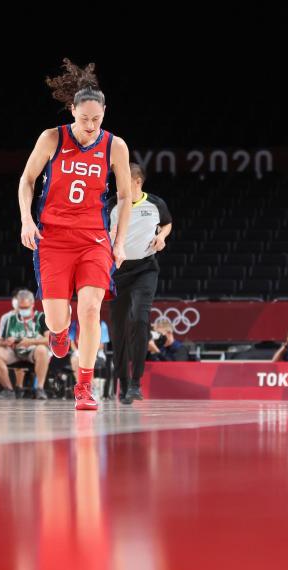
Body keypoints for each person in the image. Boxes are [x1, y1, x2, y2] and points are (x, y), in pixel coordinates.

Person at [18, 58, 132, 410]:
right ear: (72, 111)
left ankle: (84, 386)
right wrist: (26, 219)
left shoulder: (115, 145)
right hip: (52, 237)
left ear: (104, 113)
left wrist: (120, 240)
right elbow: (27, 180)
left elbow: (126, 195)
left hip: (93, 238)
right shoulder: (52, 137)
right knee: (57, 318)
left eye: (96, 119)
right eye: (84, 118)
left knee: (90, 308)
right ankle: (56, 334)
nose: (90, 125)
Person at [108, 163, 173, 403]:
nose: (118, 186)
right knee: (118, 331)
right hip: (117, 273)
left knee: (139, 318)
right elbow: (98, 235)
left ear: (137, 182)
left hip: (145, 269)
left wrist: (162, 236)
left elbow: (167, 223)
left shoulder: (156, 204)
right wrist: (108, 236)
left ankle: (136, 383)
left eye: (122, 181)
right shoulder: (111, 206)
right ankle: (123, 385)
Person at [0, 291, 51, 400]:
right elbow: (0, 341)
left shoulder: (41, 317)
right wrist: (7, 342)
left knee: (42, 350)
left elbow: (49, 340)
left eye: (26, 307)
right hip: (14, 350)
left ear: (32, 304)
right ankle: (8, 389)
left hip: (33, 350)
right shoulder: (10, 319)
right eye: (21, 307)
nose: (23, 310)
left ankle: (39, 389)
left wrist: (30, 342)